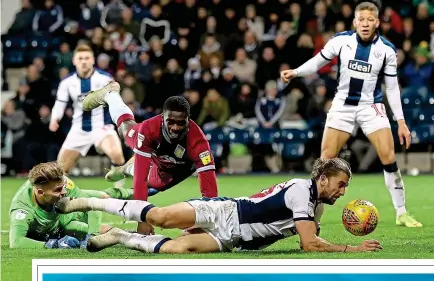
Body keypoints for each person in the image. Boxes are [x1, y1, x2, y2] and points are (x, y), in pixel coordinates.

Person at [280, 1, 421, 227]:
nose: (365, 24)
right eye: (361, 20)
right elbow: (318, 62)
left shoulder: (386, 50)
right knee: (324, 162)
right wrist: (296, 72)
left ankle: (401, 213)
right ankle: (312, 220)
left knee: (388, 155)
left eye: (369, 20)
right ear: (355, 21)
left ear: (377, 22)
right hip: (342, 106)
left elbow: (392, 87)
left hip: (371, 106)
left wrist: (401, 122)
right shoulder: (341, 41)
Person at [56, 158, 383, 254]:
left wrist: (336, 245)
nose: (342, 192)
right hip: (227, 211)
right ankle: (88, 201)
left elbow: (309, 240)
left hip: (233, 238)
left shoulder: (316, 208)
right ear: (323, 178)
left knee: (178, 250)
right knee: (163, 216)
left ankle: (120, 237)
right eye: (341, 184)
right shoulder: (301, 191)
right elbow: (310, 244)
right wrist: (351, 249)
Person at [81, 83, 218, 234]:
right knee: (125, 129)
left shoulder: (199, 143)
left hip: (179, 166)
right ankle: (110, 94)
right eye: (170, 121)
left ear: (188, 119)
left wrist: (207, 224)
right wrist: (142, 219)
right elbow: (140, 179)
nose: (175, 127)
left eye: (181, 123)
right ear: (162, 117)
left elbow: (209, 190)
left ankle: (127, 167)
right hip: (152, 151)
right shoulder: (148, 129)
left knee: (157, 185)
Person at [49, 44, 125, 187]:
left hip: (102, 127)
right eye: (80, 58)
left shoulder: (105, 79)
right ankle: (62, 198)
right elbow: (60, 103)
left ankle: (119, 193)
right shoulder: (67, 83)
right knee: (60, 169)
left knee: (117, 156)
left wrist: (121, 120)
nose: (84, 61)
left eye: (87, 58)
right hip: (78, 129)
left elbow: (116, 102)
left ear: (93, 60)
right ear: (74, 61)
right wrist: (54, 119)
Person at [8, 161, 132, 249]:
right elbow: (16, 242)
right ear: (40, 192)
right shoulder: (22, 209)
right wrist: (53, 244)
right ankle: (130, 235)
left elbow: (92, 205)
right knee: (103, 230)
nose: (64, 192)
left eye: (63, 187)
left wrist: (92, 236)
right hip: (61, 226)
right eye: (57, 190)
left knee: (103, 198)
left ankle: (133, 191)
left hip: (63, 217)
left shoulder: (64, 184)